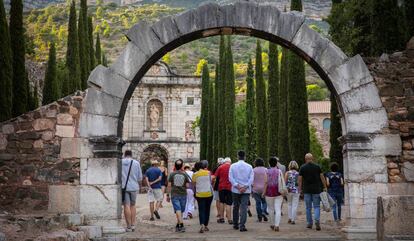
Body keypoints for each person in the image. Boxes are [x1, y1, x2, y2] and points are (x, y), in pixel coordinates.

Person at [298, 153, 328, 231]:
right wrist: (325, 187)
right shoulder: (317, 166)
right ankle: (317, 220)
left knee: (308, 208)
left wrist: (300, 189)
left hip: (307, 190)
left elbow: (300, 180)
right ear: (312, 158)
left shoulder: (302, 167)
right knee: (317, 206)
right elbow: (322, 177)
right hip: (316, 190)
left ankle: (309, 223)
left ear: (305, 159)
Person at [229, 150, 254, 232]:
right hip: (246, 191)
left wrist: (237, 186)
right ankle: (242, 225)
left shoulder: (232, 166)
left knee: (235, 207)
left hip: (235, 190)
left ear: (237, 156)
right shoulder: (249, 166)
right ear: (245, 157)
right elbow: (251, 179)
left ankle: (235, 224)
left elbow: (230, 178)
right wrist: (245, 186)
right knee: (244, 207)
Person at [121, 150, 143, 232]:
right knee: (133, 205)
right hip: (134, 187)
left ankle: (128, 226)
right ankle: (133, 225)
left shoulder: (120, 162)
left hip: (124, 187)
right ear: (131, 155)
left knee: (126, 206)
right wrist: (140, 186)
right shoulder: (136, 163)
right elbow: (140, 177)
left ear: (124, 154)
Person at [166, 159, 190, 232]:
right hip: (183, 194)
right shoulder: (185, 174)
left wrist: (167, 195)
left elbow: (169, 185)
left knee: (178, 210)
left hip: (174, 194)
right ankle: (181, 225)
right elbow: (187, 185)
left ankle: (178, 224)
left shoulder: (172, 174)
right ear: (182, 166)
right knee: (180, 210)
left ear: (175, 166)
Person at [192, 160, 214, 233]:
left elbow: (194, 184)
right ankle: (206, 225)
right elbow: (210, 182)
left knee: (201, 209)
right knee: (207, 209)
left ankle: (202, 225)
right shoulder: (208, 172)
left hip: (200, 194)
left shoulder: (195, 174)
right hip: (208, 194)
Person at [263, 156, 283, 232]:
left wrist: (264, 192)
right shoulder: (279, 171)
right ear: (276, 163)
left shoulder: (267, 171)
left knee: (270, 209)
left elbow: (265, 182)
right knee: (278, 209)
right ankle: (277, 225)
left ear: (269, 163)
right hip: (278, 192)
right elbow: (282, 181)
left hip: (269, 193)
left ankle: (272, 224)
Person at [214, 157, 233, 224]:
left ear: (224, 162)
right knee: (229, 203)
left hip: (221, 187)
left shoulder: (220, 167)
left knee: (221, 202)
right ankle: (229, 219)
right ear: (230, 162)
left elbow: (215, 177)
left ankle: (221, 218)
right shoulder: (232, 167)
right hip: (230, 187)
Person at [252, 158, 268, 222]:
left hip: (255, 189)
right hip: (264, 188)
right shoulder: (266, 169)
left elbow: (251, 180)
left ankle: (259, 217)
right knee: (264, 202)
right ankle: (263, 211)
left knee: (258, 203)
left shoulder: (253, 170)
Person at [285, 160, 300, 224]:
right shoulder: (298, 173)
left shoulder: (287, 173)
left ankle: (290, 218)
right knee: (295, 205)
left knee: (289, 204)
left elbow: (285, 182)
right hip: (296, 190)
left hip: (289, 190)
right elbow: (299, 182)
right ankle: (293, 219)